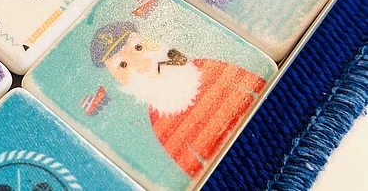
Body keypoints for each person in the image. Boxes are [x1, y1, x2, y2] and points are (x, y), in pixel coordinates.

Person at [90, 21, 265, 178]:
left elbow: (256, 84)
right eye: (123, 65)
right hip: (231, 171)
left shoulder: (202, 68)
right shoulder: (159, 119)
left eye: (138, 47)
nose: (141, 63)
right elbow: (190, 167)